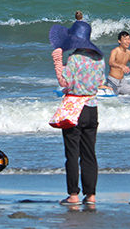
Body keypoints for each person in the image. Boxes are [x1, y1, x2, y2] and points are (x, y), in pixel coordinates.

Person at [49, 19, 105, 205]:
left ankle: (73, 194)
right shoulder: (99, 59)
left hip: (75, 109)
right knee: (89, 153)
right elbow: (99, 82)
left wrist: (58, 61)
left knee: (72, 153)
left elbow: (65, 82)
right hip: (92, 108)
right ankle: (91, 195)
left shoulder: (73, 59)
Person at [106, 31, 130, 96]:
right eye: (125, 39)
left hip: (122, 82)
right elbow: (111, 62)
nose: (128, 41)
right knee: (113, 100)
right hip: (113, 81)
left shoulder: (128, 52)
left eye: (129, 39)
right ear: (119, 41)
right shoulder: (115, 51)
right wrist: (121, 66)